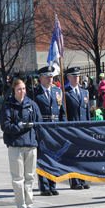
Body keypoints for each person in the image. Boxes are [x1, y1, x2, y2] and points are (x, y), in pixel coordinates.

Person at [1, 79, 41, 208]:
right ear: (14, 90)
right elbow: (5, 126)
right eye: (19, 89)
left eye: (23, 88)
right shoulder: (8, 106)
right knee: (18, 177)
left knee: (30, 176)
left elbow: (38, 123)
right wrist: (21, 127)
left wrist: (33, 130)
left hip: (30, 144)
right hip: (16, 145)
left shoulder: (32, 105)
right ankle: (21, 204)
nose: (22, 91)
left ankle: (29, 203)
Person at [26, 66, 65, 196]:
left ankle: (52, 184)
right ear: (41, 78)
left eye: (51, 76)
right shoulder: (34, 93)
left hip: (55, 129)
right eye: (47, 77)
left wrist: (63, 127)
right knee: (43, 157)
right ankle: (44, 186)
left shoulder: (57, 91)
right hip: (42, 128)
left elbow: (62, 112)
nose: (50, 79)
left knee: (54, 157)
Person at [64, 67, 91, 189]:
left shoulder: (84, 92)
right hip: (73, 128)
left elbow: (87, 112)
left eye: (78, 76)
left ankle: (83, 180)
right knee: (73, 156)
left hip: (84, 129)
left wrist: (89, 127)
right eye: (74, 76)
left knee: (84, 155)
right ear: (68, 78)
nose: (77, 78)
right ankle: (74, 181)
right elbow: (64, 113)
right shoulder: (65, 93)